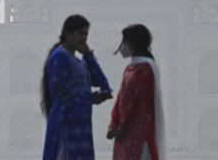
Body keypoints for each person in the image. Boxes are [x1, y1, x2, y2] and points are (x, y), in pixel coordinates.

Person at [41, 14, 113, 160]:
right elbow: (60, 92)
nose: (84, 38)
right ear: (68, 33)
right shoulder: (59, 57)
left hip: (80, 123)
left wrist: (88, 55)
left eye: (86, 34)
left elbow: (101, 82)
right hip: (66, 122)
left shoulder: (78, 61)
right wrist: (92, 97)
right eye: (80, 33)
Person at [107, 24, 166, 160]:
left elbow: (137, 101)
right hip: (125, 130)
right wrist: (114, 123)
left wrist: (121, 125)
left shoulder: (145, 68)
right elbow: (121, 98)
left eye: (125, 42)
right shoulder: (131, 68)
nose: (122, 46)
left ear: (132, 43)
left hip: (139, 129)